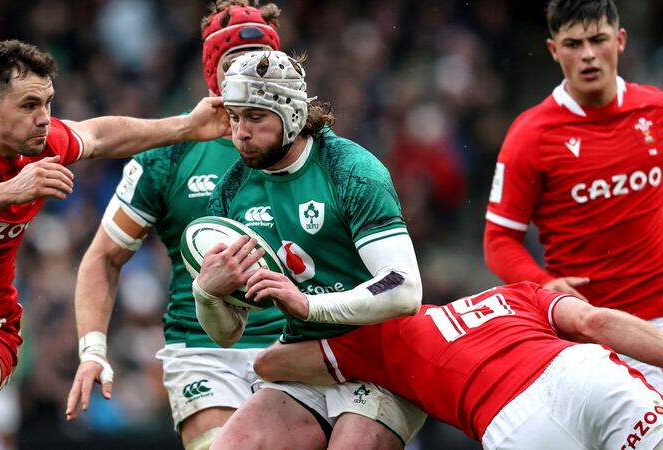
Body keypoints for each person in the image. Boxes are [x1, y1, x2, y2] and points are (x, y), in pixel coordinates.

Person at [0, 39, 229, 450]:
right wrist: (9, 191)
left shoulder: (41, 143)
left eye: (48, 103)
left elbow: (100, 135)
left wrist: (187, 127)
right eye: (29, 105)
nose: (44, 119)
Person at [63, 2, 284, 450]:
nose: (248, 73)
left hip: (294, 349)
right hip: (202, 354)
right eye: (233, 63)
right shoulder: (167, 158)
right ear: (212, 74)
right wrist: (93, 350)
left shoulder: (320, 152)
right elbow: (103, 258)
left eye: (260, 61)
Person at [195, 49, 425, 450]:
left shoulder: (351, 169)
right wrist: (207, 293)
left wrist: (308, 306)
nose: (240, 132)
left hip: (382, 360)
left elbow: (405, 290)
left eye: (255, 117)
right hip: (307, 363)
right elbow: (228, 333)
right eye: (234, 117)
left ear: (292, 116)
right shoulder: (232, 191)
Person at [483, 0, 663, 388]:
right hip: (596, 338)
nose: (587, 55)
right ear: (553, 49)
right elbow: (498, 240)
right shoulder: (530, 135)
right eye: (573, 44)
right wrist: (543, 282)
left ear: (620, 40)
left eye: (598, 40)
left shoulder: (655, 109)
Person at [251, 281, 663, 450]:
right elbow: (597, 321)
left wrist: (308, 310)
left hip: (513, 425)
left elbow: (269, 364)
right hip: (576, 372)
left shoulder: (383, 335)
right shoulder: (515, 293)